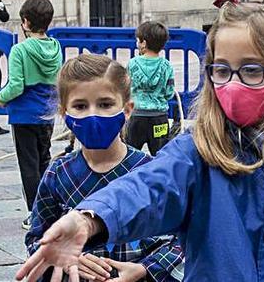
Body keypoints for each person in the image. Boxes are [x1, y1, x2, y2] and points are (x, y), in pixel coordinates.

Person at [15, 3, 264, 282]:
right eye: (221, 70)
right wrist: (91, 217)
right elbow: (147, 187)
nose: (232, 83)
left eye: (251, 70)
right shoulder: (198, 153)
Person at [26, 54, 184, 281]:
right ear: (64, 113)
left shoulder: (150, 172)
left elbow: (181, 237)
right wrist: (65, 258)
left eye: (105, 104)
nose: (93, 114)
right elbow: (37, 237)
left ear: (127, 109)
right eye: (80, 106)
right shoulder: (58, 175)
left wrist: (145, 269)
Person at [0, 0, 62, 230]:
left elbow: (16, 85)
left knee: (29, 166)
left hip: (24, 113)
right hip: (47, 111)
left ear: (25, 21)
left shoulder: (20, 50)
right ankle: (50, 207)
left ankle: (35, 213)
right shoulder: (56, 47)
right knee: (44, 160)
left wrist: (1, 98)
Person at [125, 21, 176, 155]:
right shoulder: (167, 66)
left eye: (138, 41)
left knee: (130, 154)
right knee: (161, 155)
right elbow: (169, 92)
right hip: (159, 118)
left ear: (144, 43)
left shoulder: (132, 64)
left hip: (136, 116)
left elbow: (126, 88)